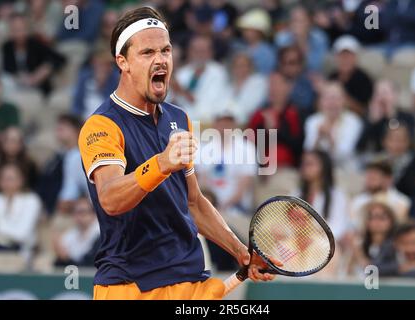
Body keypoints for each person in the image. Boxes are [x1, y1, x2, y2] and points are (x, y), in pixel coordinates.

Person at [78, 7, 276, 300]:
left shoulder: (179, 118)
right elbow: (110, 198)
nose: (160, 60)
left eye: (165, 50)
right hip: (131, 287)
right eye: (147, 53)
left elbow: (193, 202)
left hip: (190, 279)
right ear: (123, 62)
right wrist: (161, 163)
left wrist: (241, 253)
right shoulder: (102, 125)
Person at [196, 110, 257, 216]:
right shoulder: (202, 147)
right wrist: (210, 206)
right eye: (221, 122)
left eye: (228, 123)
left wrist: (223, 207)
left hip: (236, 208)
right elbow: (201, 181)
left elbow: (244, 186)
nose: (224, 126)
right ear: (214, 124)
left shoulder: (247, 148)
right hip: (208, 206)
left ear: (235, 125)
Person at [1, 13, 66, 96]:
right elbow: (8, 70)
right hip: (17, 85)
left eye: (22, 29)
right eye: (15, 30)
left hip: (37, 87)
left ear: (27, 28)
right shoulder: (7, 46)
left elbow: (59, 58)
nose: (19, 33)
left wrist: (40, 73)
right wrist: (19, 78)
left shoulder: (35, 44)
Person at [292, 150, 350, 242]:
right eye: (303, 163)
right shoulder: (296, 193)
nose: (304, 167)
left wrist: (314, 236)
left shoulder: (337, 195)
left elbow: (338, 227)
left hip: (324, 244)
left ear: (324, 167)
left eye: (310, 164)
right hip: (297, 242)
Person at [248, 72, 303, 168]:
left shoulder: (295, 113)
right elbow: (250, 145)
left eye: (277, 84)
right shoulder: (259, 114)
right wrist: (266, 131)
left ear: (288, 87)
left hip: (288, 169)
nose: (273, 88)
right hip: (262, 169)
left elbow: (298, 146)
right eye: (270, 84)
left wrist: (276, 131)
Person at [303, 82, 363, 169]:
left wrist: (330, 138)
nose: (332, 103)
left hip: (346, 170)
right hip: (320, 171)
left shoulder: (354, 122)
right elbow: (308, 152)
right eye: (327, 98)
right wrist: (318, 138)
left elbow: (344, 155)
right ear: (320, 102)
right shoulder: (312, 121)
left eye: (336, 98)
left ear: (344, 101)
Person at [37, 114, 88, 215]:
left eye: (64, 127)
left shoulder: (81, 156)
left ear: (77, 130)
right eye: (58, 127)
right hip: (50, 208)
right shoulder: (57, 156)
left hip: (73, 211)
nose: (58, 130)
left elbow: (77, 189)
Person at [174, 34, 228, 123]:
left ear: (211, 52)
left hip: (207, 126)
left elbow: (208, 108)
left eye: (203, 51)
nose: (199, 55)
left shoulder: (218, 73)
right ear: (189, 52)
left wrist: (183, 92)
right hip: (181, 124)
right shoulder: (181, 73)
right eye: (196, 51)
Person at [357, 79, 415, 154]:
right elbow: (360, 147)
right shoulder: (370, 118)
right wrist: (372, 121)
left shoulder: (408, 117)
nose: (382, 98)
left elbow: (411, 142)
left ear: (396, 95)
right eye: (378, 94)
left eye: (385, 93)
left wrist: (391, 116)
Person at [350, 160, 410, 229]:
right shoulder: (357, 201)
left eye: (374, 176)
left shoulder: (402, 202)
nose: (370, 179)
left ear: (388, 179)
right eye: (368, 176)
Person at [0, 163, 41, 258]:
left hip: (22, 250)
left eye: (10, 179)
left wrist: (0, 231)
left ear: (20, 180)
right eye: (3, 178)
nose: (6, 182)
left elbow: (22, 234)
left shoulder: (31, 200)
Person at [348, 199, 397, 276]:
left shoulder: (395, 245)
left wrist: (358, 254)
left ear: (391, 221)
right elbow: (348, 273)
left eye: (381, 217)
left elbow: (377, 271)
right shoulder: (362, 243)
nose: (376, 222)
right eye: (372, 217)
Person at [329, 35, 373, 117]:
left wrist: (339, 98)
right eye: (342, 56)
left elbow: (364, 111)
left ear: (356, 57)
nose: (345, 59)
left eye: (349, 56)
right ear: (336, 58)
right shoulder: (332, 77)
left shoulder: (364, 80)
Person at [275, 5, 329, 73]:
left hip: (314, 76)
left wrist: (302, 42)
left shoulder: (320, 38)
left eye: (301, 21)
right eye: (294, 20)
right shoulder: (281, 39)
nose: (297, 24)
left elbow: (318, 65)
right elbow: (280, 66)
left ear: (309, 22)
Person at [72, 47, 119, 120]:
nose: (102, 66)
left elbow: (113, 104)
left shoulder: (116, 78)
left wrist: (102, 84)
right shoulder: (85, 76)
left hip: (107, 119)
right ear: (93, 62)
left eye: (106, 63)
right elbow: (77, 102)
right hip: (84, 119)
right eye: (99, 62)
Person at [223, 51, 267, 126]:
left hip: (249, 124)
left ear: (250, 67)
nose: (240, 68)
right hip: (226, 124)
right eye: (237, 65)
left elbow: (250, 107)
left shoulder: (258, 82)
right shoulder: (228, 85)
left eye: (243, 65)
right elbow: (220, 106)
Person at [53, 196, 100, 267]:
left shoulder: (100, 234)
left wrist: (66, 258)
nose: (79, 216)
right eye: (76, 212)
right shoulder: (71, 234)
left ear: (93, 214)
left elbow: (89, 264)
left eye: (82, 212)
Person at [277, 45, 316, 120]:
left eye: (292, 63)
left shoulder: (307, 82)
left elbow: (305, 104)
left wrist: (287, 92)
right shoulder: (275, 81)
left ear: (300, 65)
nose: (287, 67)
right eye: (284, 63)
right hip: (277, 124)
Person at [235, 8, 276, 74]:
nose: (244, 32)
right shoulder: (240, 47)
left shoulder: (267, 53)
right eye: (244, 29)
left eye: (248, 29)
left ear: (258, 31)